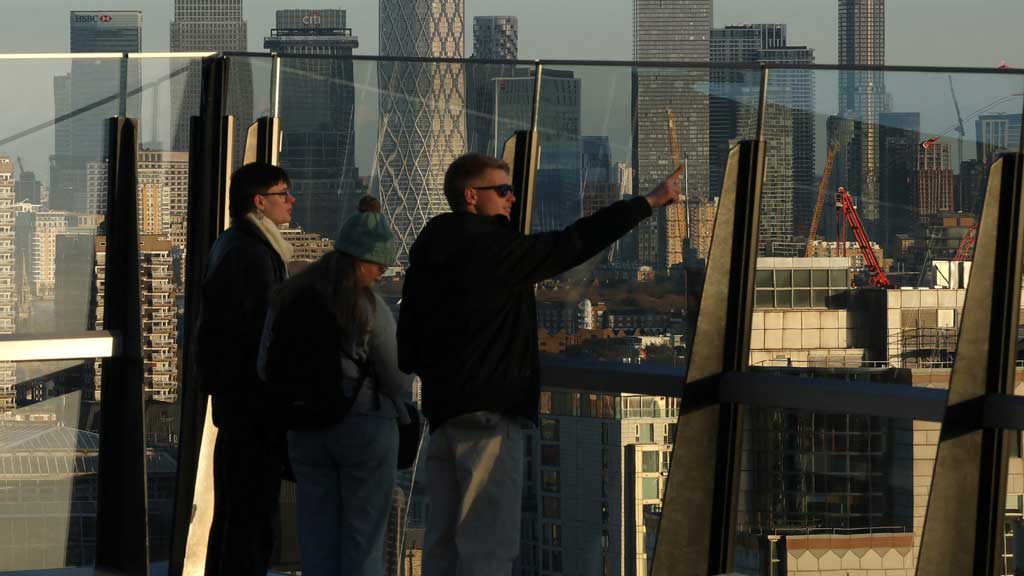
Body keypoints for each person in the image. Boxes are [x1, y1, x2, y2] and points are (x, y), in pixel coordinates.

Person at [398, 153, 683, 575]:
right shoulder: (492, 248)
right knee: (488, 548)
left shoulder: (427, 253)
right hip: (490, 417)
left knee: (443, 545)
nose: (512, 198)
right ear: (471, 196)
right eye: (503, 190)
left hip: (444, 416)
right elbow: (572, 243)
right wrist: (649, 202)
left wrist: (444, 376)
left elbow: (409, 345)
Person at [265, 196, 412, 576]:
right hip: (364, 429)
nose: (381, 273)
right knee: (363, 540)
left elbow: (266, 365)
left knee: (316, 536)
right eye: (379, 265)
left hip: (304, 429)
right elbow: (397, 375)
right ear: (364, 261)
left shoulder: (289, 296)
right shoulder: (367, 306)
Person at [196, 162, 295, 575]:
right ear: (260, 202)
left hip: (235, 404)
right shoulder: (254, 255)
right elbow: (258, 336)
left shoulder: (232, 244)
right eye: (283, 193)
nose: (291, 200)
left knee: (236, 511)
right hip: (252, 408)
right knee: (251, 514)